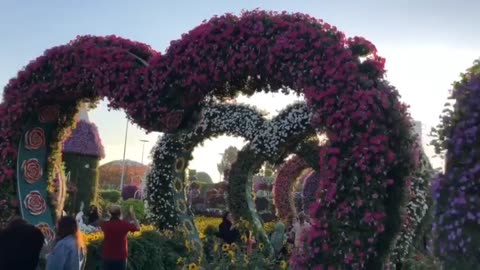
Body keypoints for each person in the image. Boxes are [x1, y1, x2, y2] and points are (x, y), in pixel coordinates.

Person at [100, 204, 140, 270]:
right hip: (121, 256)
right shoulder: (125, 224)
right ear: (120, 213)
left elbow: (103, 220)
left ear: (110, 213)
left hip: (107, 255)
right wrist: (133, 217)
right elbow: (138, 228)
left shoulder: (105, 225)